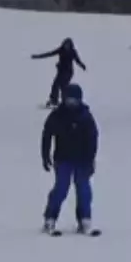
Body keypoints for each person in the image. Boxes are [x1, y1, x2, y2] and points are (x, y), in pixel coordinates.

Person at [41, 84, 99, 235]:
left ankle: (84, 219)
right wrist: (45, 156)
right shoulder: (57, 115)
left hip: (82, 159)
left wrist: (91, 159)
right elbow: (47, 135)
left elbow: (93, 138)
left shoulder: (85, 116)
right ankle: (50, 217)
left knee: (84, 189)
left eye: (74, 100)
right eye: (68, 100)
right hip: (63, 158)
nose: (71, 103)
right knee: (61, 188)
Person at [31, 38, 87, 107]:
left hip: (68, 72)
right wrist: (37, 56)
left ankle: (64, 101)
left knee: (62, 86)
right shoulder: (61, 50)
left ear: (71, 45)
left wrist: (82, 66)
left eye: (68, 45)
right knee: (56, 85)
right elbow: (50, 54)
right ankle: (54, 100)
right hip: (61, 71)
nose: (66, 46)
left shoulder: (73, 52)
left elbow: (77, 60)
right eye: (65, 45)